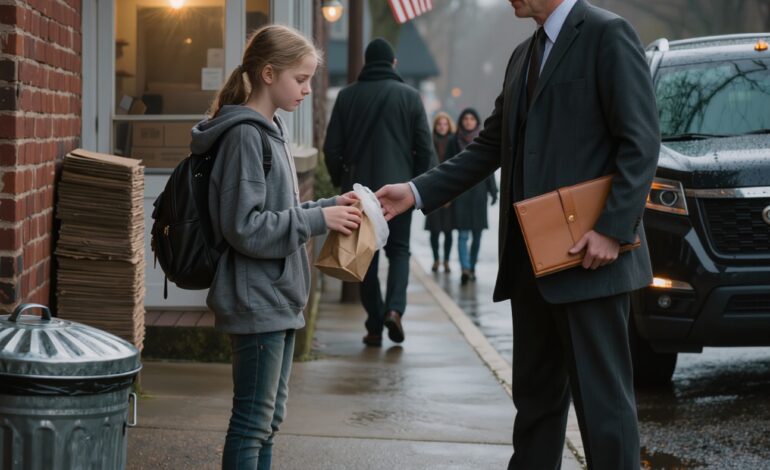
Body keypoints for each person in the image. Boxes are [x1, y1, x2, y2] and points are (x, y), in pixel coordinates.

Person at [375, 0, 660, 468]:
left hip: (591, 259)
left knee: (604, 413)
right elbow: (489, 146)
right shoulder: (522, 56)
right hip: (531, 264)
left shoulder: (609, 35)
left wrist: (611, 230)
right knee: (535, 411)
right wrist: (414, 191)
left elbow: (642, 142)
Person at [191, 25, 362, 470]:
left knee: (268, 422)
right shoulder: (246, 136)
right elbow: (244, 227)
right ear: (268, 73)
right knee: (252, 424)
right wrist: (317, 219)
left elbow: (280, 209)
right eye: (300, 79)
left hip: (279, 298)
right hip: (257, 301)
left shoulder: (271, 129)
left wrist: (329, 205)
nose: (307, 89)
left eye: (309, 79)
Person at [324, 38, 435, 347]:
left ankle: (374, 324)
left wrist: (341, 183)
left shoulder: (347, 97)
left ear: (365, 62)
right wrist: (414, 187)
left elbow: (331, 148)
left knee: (364, 257)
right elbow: (424, 149)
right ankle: (395, 311)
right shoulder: (411, 97)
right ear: (393, 64)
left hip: (358, 194)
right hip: (398, 193)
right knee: (399, 252)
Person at [447, 108, 498, 284]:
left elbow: (488, 167)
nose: (469, 121)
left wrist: (493, 191)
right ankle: (465, 268)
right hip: (460, 193)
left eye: (472, 118)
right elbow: (446, 168)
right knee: (462, 234)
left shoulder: (481, 139)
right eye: (465, 118)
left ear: (477, 121)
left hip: (479, 194)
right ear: (461, 121)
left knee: (477, 235)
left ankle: (473, 266)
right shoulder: (454, 141)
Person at [424, 112, 456, 273]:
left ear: (449, 125)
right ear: (435, 126)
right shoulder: (430, 142)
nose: (442, 127)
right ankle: (436, 259)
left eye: (445, 124)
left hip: (450, 192)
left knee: (449, 231)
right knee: (435, 230)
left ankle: (447, 261)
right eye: (439, 124)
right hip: (433, 192)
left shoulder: (454, 142)